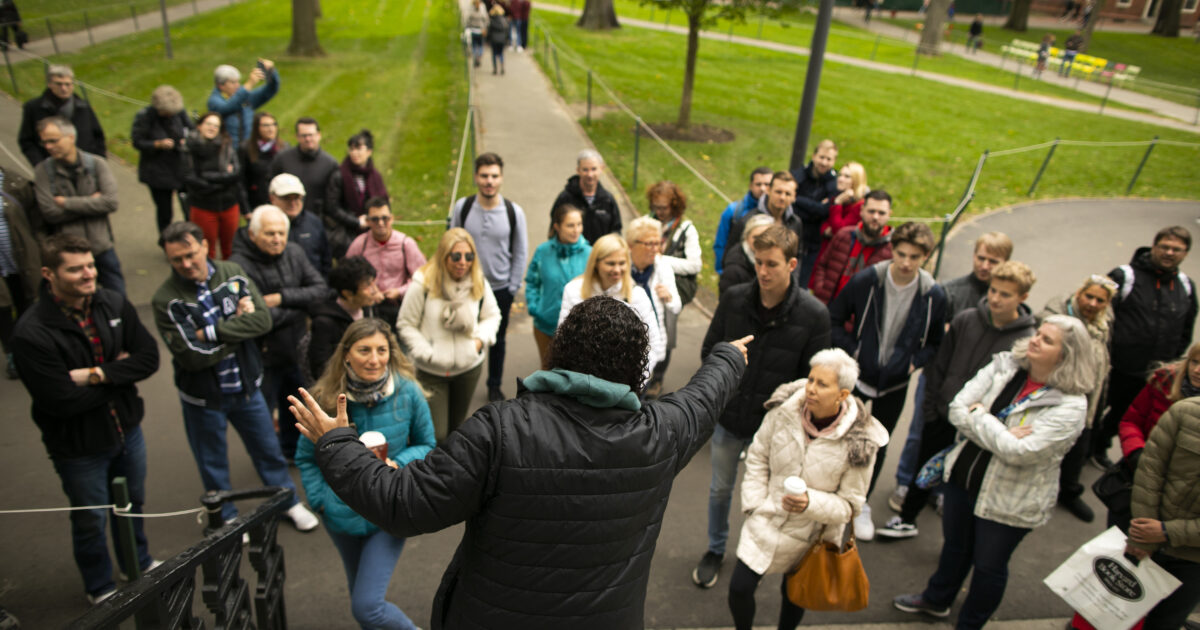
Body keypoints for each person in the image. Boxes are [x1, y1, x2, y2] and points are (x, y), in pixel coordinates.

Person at [287, 295, 751, 629]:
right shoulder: (662, 433)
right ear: (636, 369)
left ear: (559, 351)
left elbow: (403, 503)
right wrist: (731, 356)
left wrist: (337, 444)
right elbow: (704, 398)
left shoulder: (501, 430)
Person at [893, 315, 1098, 629]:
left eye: (1046, 339)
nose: (1034, 339)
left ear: (1066, 355)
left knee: (989, 566)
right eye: (1038, 333)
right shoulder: (1006, 365)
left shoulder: (1071, 406)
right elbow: (957, 408)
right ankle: (936, 600)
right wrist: (996, 429)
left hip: (1010, 499)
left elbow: (1020, 452)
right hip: (963, 477)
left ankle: (970, 624)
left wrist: (981, 416)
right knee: (955, 547)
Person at [10, 234, 161, 605]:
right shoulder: (31, 332)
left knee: (132, 502)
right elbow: (60, 400)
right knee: (91, 517)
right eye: (75, 269)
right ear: (48, 273)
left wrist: (93, 374)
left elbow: (148, 358)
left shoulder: (112, 301)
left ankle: (136, 564)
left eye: (90, 265)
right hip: (78, 446)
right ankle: (99, 586)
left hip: (127, 431)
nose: (88, 274)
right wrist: (119, 373)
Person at [151, 221, 319, 530]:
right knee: (213, 462)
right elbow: (191, 356)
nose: (186, 264)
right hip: (203, 398)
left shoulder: (233, 274)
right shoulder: (166, 300)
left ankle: (288, 502)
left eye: (191, 254)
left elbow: (262, 321)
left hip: (246, 387)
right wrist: (238, 330)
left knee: (268, 450)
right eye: (177, 259)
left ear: (205, 247)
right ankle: (225, 519)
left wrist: (211, 332)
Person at [694, 224, 832, 589]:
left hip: (775, 430)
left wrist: (785, 404)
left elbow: (812, 381)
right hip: (730, 417)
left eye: (772, 263)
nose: (763, 272)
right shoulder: (734, 299)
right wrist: (726, 369)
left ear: (791, 265)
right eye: (758, 262)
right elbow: (709, 351)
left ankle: (752, 560)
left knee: (769, 498)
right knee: (720, 490)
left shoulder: (814, 315)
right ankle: (715, 548)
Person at [728, 349, 888, 630]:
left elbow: (851, 505)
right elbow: (758, 455)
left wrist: (809, 503)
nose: (810, 388)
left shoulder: (860, 442)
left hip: (812, 536)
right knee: (739, 590)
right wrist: (754, 503)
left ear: (843, 395)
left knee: (795, 596)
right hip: (766, 518)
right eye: (811, 379)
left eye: (822, 384)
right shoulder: (784, 410)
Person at [878, 261, 1037, 540]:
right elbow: (939, 366)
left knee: (963, 483)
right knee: (923, 469)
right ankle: (906, 518)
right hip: (941, 415)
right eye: (994, 291)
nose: (996, 299)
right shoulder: (966, 320)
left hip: (978, 428)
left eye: (1006, 294)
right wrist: (931, 409)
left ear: (1022, 297)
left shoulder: (1025, 340)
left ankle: (955, 540)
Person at [296, 318, 434, 630]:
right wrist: (321, 501)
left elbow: (428, 444)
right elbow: (305, 458)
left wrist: (397, 463)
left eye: (381, 350)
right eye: (364, 350)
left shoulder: (408, 392)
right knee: (361, 596)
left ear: (391, 353)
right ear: (346, 354)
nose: (374, 359)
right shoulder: (325, 397)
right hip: (340, 516)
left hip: (387, 512)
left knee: (367, 607)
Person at [828, 221, 946, 540]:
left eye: (915, 257)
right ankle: (832, 496)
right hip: (858, 377)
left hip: (894, 383)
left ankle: (861, 503)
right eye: (902, 254)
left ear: (926, 257)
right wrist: (852, 351)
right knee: (840, 435)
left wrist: (912, 363)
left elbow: (935, 342)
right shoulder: (868, 280)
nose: (907, 263)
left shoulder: (933, 294)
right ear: (892, 250)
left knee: (877, 445)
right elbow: (835, 317)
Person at [228, 204, 330, 459]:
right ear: (253, 235)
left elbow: (319, 289)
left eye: (281, 233)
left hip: (296, 351)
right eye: (270, 234)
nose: (277, 239)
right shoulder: (237, 266)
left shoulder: (294, 252)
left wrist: (282, 297)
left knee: (296, 410)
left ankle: (291, 453)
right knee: (262, 416)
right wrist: (299, 308)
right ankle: (270, 464)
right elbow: (255, 319)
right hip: (262, 357)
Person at [1093, 226, 1196, 469]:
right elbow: (1100, 314)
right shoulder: (1124, 277)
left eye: (1177, 249)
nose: (1169, 253)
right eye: (1164, 246)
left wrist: (1170, 362)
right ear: (1154, 246)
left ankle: (1099, 446)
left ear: (1185, 253)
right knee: (1093, 410)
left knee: (1124, 416)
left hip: (1151, 376)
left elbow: (1186, 329)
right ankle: (1080, 450)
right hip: (1113, 367)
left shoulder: (1186, 287)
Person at [397, 228, 501, 441]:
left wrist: (479, 342)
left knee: (457, 429)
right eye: (456, 256)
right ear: (444, 255)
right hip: (432, 371)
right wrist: (426, 352)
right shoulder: (423, 283)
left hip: (468, 369)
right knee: (437, 434)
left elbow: (492, 316)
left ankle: (452, 472)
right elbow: (406, 323)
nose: (463, 262)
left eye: (468, 256)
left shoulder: (478, 281)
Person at [450, 152, 528, 402]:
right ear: (476, 177)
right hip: (467, 287)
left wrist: (513, 286)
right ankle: (459, 380)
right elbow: (451, 245)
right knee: (463, 334)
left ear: (501, 178)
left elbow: (520, 252)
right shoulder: (462, 207)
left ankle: (494, 384)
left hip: (500, 288)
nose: (489, 181)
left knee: (497, 339)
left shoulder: (513, 212)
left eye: (494, 176)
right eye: (484, 176)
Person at [1039, 274, 1116, 523]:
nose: (1093, 304)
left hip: (1089, 398)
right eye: (1089, 296)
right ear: (1079, 294)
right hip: (1056, 394)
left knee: (1078, 449)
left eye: (1100, 300)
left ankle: (1069, 492)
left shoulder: (1104, 325)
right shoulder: (1058, 316)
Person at [1123, 396, 1200, 630]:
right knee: (1114, 611)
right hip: (1147, 540)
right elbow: (1151, 469)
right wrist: (1143, 533)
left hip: (1193, 560)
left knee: (1164, 623)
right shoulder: (1186, 412)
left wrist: (1168, 531)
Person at [1112, 342, 1200, 531]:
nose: (1197, 370)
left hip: (1175, 503)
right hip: (1135, 480)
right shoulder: (1165, 381)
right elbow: (1131, 420)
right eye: (1194, 362)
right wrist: (1136, 451)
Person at [33, 116, 125, 296]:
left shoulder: (97, 164)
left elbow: (110, 202)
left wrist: (66, 203)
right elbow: (49, 213)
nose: (48, 147)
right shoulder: (43, 172)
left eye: (53, 141)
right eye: (44, 142)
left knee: (118, 299)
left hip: (101, 247)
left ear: (71, 137)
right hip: (69, 256)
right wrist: (92, 203)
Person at [558, 234, 664, 380]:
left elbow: (654, 343)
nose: (617, 269)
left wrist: (637, 379)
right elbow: (563, 339)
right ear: (596, 263)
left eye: (622, 263)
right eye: (610, 263)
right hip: (582, 379)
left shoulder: (637, 295)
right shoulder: (573, 290)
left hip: (625, 381)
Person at [524, 204, 591, 368]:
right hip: (546, 325)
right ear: (557, 226)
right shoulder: (543, 251)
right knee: (548, 371)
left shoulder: (590, 253)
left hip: (581, 331)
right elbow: (532, 281)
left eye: (579, 224)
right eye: (570, 225)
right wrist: (535, 308)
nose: (576, 230)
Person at [648, 181, 698, 389]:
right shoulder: (647, 223)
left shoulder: (686, 230)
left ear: (674, 206)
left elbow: (694, 265)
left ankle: (657, 378)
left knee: (666, 332)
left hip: (672, 290)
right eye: (655, 207)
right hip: (649, 285)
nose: (659, 212)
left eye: (664, 207)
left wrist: (661, 259)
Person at [346, 198, 425, 327]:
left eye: (385, 218)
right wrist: (369, 290)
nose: (381, 223)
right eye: (375, 219)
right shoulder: (360, 244)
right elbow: (347, 275)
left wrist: (399, 291)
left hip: (400, 307)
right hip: (367, 309)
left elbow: (422, 278)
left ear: (392, 218)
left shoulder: (405, 244)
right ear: (367, 221)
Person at [307, 256, 385, 382]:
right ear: (347, 293)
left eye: (373, 283)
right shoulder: (325, 323)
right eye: (367, 286)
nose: (375, 291)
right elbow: (320, 369)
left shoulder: (368, 308)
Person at [810, 188, 893, 305]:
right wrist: (820, 290)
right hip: (826, 307)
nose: (875, 217)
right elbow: (822, 265)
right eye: (871, 211)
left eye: (881, 213)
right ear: (862, 211)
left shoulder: (893, 250)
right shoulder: (844, 235)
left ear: (889, 214)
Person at [626, 216, 680, 397]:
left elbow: (676, 306)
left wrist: (669, 297)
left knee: (642, 390)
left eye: (658, 243)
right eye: (649, 244)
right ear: (631, 245)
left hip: (653, 340)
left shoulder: (662, 266)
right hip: (625, 341)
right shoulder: (621, 266)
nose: (655, 249)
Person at [130, 85, 194, 232]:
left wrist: (187, 140)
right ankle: (168, 241)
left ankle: (191, 235)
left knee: (188, 205)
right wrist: (157, 144)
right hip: (157, 170)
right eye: (167, 113)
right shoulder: (145, 117)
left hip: (180, 167)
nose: (171, 115)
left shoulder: (179, 112)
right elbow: (137, 141)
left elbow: (190, 129)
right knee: (165, 211)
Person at [182, 112, 243, 260]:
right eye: (208, 124)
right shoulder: (189, 148)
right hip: (203, 206)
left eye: (216, 125)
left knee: (231, 248)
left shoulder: (227, 146)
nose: (212, 128)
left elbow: (235, 174)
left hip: (228, 205)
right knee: (205, 249)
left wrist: (209, 178)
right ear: (199, 126)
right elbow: (190, 178)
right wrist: (223, 180)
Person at [18, 65, 106, 167]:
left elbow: (98, 136)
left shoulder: (83, 107)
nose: (64, 88)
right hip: (51, 169)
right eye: (59, 84)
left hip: (85, 167)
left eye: (68, 84)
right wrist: (40, 164)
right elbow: (26, 140)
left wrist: (99, 161)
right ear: (50, 84)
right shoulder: (33, 108)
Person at [0, 168, 41, 380]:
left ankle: (31, 348)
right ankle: (12, 354)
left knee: (27, 300)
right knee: (2, 310)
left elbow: (37, 219)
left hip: (20, 258)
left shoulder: (15, 182)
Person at [270, 117, 340, 238]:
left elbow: (334, 199)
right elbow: (270, 187)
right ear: (297, 137)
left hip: (317, 223)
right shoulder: (282, 160)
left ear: (319, 135)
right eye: (303, 136)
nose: (308, 139)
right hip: (285, 222)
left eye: (311, 135)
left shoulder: (330, 164)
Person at [326, 129, 389, 258]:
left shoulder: (375, 177)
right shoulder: (339, 175)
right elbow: (332, 206)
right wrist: (355, 222)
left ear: (369, 151)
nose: (354, 153)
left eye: (359, 149)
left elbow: (384, 203)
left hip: (371, 230)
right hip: (346, 233)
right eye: (352, 149)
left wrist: (373, 219)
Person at [789, 139, 838, 287]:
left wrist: (798, 199)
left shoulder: (834, 183)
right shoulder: (799, 176)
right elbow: (790, 203)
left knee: (802, 285)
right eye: (821, 157)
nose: (824, 162)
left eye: (828, 159)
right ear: (813, 156)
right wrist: (816, 207)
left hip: (813, 244)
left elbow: (825, 210)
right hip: (793, 236)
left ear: (834, 161)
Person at [724, 171, 803, 261]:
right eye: (778, 192)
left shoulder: (795, 223)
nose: (782, 197)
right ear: (768, 190)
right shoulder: (748, 221)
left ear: (794, 197)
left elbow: (797, 255)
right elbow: (730, 254)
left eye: (788, 194)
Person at [552, 150, 622, 245]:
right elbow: (553, 231)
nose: (590, 174)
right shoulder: (565, 198)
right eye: (585, 170)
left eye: (594, 169)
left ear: (601, 169)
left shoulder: (608, 200)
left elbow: (616, 231)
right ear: (578, 170)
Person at [269, 173, 331, 277]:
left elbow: (326, 260)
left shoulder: (314, 223)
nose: (293, 203)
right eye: (286, 198)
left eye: (297, 198)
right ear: (272, 198)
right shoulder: (263, 225)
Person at [206, 60, 280, 147]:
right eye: (233, 82)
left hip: (248, 149)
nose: (237, 85)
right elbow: (228, 106)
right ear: (221, 85)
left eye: (238, 82)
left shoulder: (245, 97)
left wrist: (271, 72)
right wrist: (250, 84)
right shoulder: (214, 101)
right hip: (228, 151)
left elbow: (270, 90)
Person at [713, 166, 772, 275]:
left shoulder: (776, 213)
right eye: (758, 184)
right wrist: (722, 271)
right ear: (751, 186)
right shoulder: (733, 211)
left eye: (767, 184)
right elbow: (720, 243)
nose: (763, 188)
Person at [941, 232, 1013, 320]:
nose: (985, 267)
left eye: (993, 262)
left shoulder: (1011, 299)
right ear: (974, 256)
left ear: (1006, 263)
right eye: (981, 258)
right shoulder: (949, 292)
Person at [811, 160, 868, 269]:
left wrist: (837, 204)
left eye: (847, 176)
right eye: (840, 175)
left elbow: (839, 230)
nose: (840, 179)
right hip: (825, 251)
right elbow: (824, 224)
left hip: (840, 259)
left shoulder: (859, 206)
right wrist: (826, 229)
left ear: (856, 181)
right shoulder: (838, 196)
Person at [718, 214, 774, 298]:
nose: (760, 242)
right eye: (756, 237)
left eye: (765, 237)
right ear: (747, 236)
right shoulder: (734, 269)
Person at [240, 112, 287, 209]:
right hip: (257, 203)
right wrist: (246, 209)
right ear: (257, 128)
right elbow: (241, 181)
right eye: (266, 125)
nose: (271, 129)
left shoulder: (284, 148)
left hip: (281, 201)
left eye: (274, 124)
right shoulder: (246, 149)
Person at [487, 5, 510, 75]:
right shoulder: (504, 21)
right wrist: (507, 40)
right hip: (502, 40)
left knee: (494, 54)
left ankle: (495, 68)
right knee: (501, 54)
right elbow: (507, 31)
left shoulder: (492, 21)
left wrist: (487, 40)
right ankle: (502, 66)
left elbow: (489, 32)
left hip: (494, 40)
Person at [465, 0, 488, 68]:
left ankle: (475, 57)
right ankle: (479, 57)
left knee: (474, 45)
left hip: (473, 30)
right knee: (480, 45)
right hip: (480, 30)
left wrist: (468, 27)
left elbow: (468, 19)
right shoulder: (482, 9)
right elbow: (486, 20)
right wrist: (485, 28)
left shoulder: (471, 10)